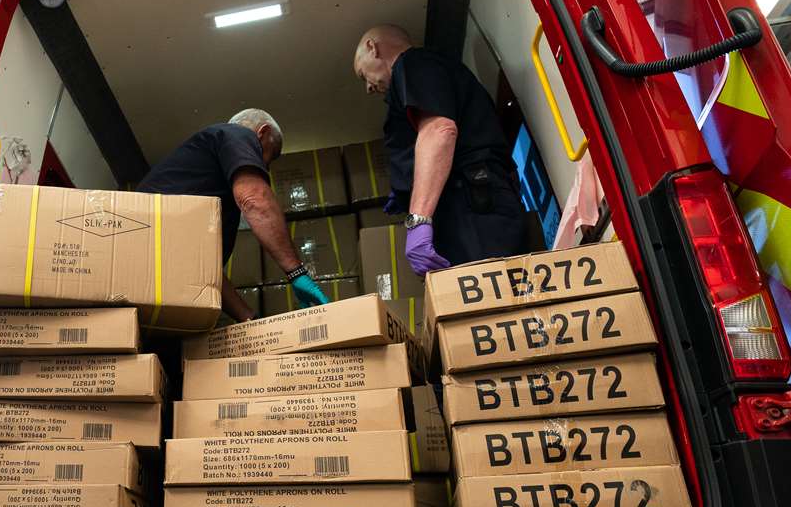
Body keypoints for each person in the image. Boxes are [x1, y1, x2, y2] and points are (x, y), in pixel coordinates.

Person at [353, 24, 527, 274]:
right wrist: (406, 185)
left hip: (471, 205)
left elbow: (439, 131)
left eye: (362, 75)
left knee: (491, 301)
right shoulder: (429, 72)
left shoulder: (412, 63)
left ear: (373, 47)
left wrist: (418, 220)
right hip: (473, 202)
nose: (368, 87)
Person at [137, 109, 327, 322]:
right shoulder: (236, 134)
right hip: (145, 249)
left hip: (147, 270)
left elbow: (207, 271)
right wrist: (297, 273)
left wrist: (249, 318)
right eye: (269, 157)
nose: (265, 168)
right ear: (262, 133)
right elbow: (255, 201)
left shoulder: (206, 198)